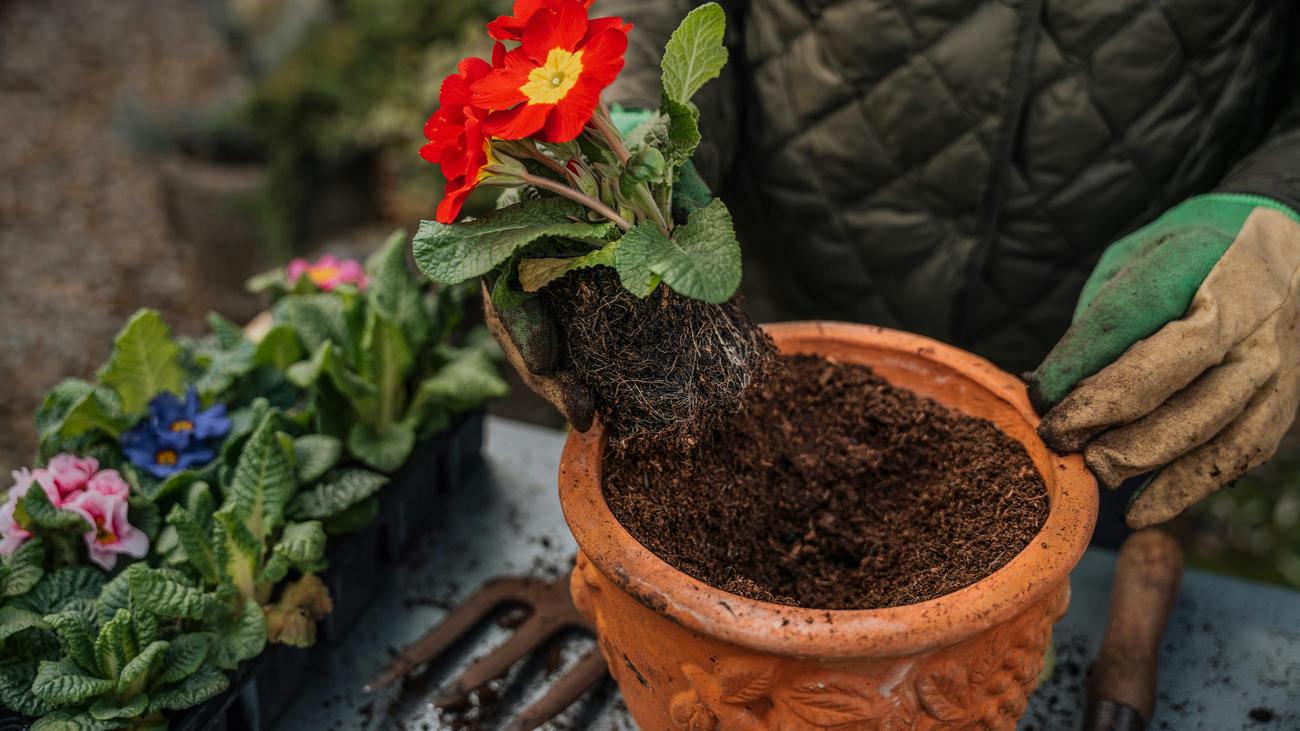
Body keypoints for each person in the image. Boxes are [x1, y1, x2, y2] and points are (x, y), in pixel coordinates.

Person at [574, 0, 1300, 541]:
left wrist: (1282, 202)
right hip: (767, 318)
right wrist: (622, 132)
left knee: (1081, 552)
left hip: (1126, 347)